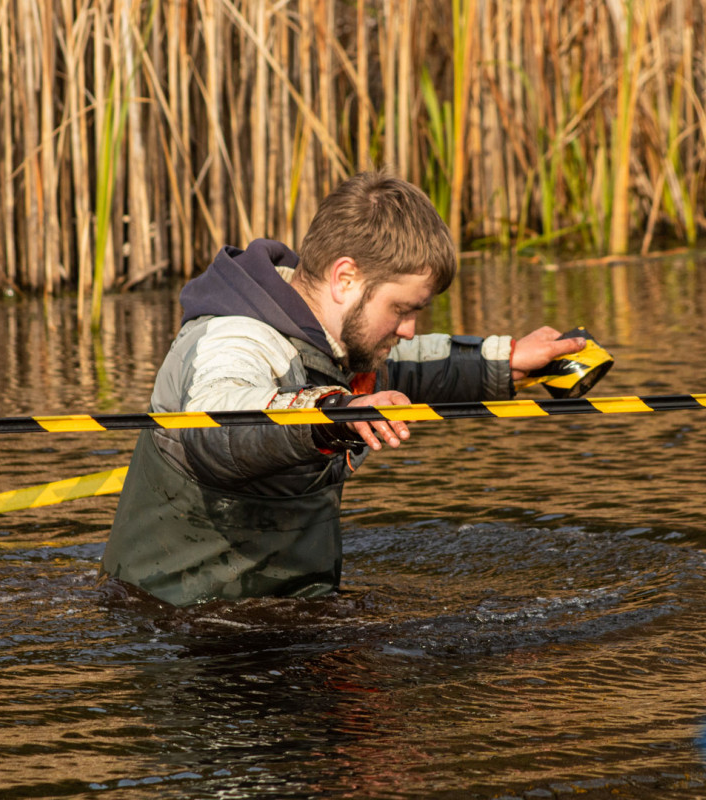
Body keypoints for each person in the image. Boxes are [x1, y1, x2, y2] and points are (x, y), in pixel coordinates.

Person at [101, 171, 586, 606]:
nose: (410, 330)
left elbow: (415, 366)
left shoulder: (338, 343)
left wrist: (506, 360)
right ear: (345, 278)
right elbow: (217, 424)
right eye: (402, 310)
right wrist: (334, 414)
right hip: (180, 629)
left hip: (285, 611)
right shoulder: (235, 338)